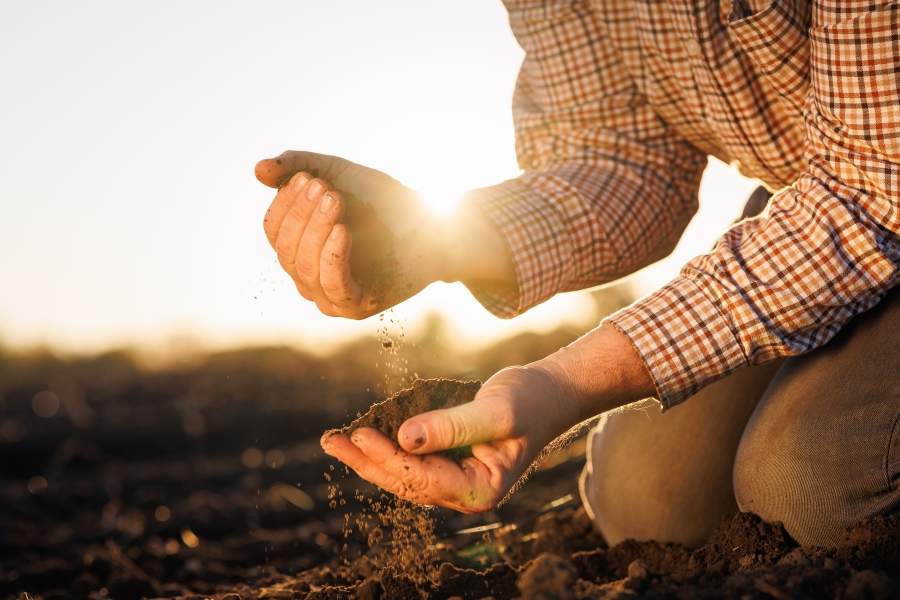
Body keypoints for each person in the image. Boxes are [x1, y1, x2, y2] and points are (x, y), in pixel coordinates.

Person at [254, 0, 898, 547]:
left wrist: (560, 384)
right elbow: (625, 160)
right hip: (817, 199)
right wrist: (423, 241)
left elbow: (875, 185)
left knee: (808, 488)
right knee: (644, 498)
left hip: (875, 182)